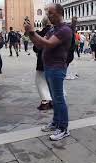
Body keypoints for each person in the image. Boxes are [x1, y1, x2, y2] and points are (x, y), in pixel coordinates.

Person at [25, 3, 72, 141]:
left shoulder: (65, 30)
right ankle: (56, 123)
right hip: (49, 67)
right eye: (48, 13)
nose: (48, 16)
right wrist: (30, 33)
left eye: (51, 13)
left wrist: (33, 32)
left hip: (57, 68)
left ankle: (63, 128)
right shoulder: (52, 30)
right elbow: (40, 44)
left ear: (59, 13)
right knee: (54, 98)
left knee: (58, 99)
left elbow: (50, 44)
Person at [33, 16, 53, 111]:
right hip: (55, 61)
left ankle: (45, 102)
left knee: (40, 80)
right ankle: (53, 100)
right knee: (53, 81)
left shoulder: (40, 33)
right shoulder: (56, 32)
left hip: (42, 60)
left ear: (43, 23)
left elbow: (36, 48)